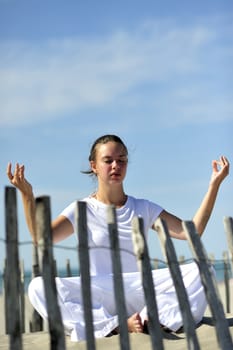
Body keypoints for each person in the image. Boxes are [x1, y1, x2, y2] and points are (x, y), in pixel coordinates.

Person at [7, 134, 230, 341]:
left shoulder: (143, 207)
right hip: (101, 294)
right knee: (37, 286)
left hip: (141, 289)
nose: (116, 166)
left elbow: (192, 232)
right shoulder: (82, 209)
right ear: (94, 166)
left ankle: (152, 320)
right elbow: (41, 239)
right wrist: (27, 196)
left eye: (122, 160)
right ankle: (113, 325)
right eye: (108, 160)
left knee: (204, 270)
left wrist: (214, 185)